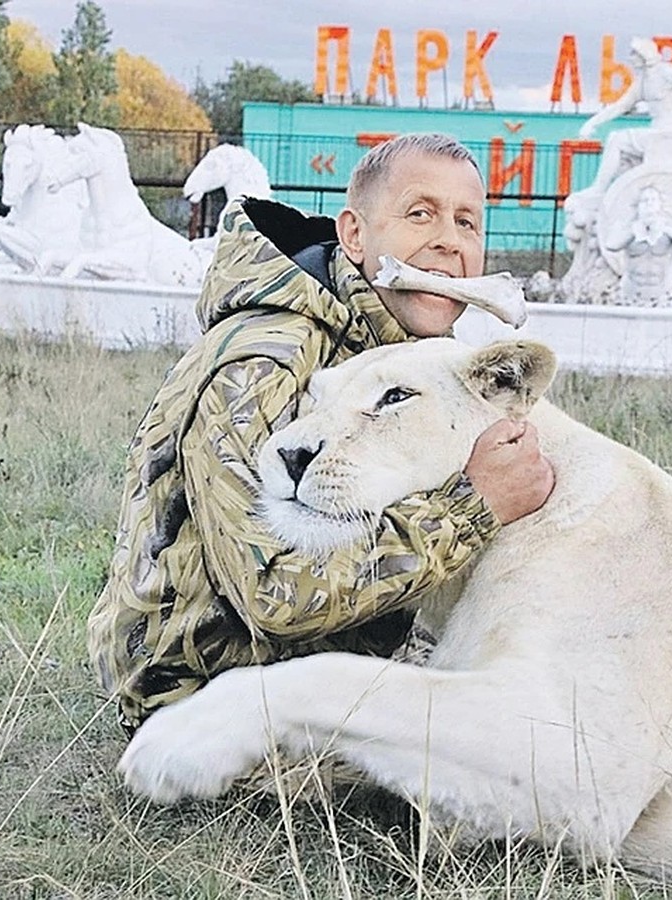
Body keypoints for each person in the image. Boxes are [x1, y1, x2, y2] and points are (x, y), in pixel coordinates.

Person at [88, 133, 555, 735]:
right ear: (355, 235)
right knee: (519, 753)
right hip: (206, 702)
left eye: (467, 222)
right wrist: (473, 508)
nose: (448, 240)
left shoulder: (407, 354)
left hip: (339, 664)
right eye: (420, 214)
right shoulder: (264, 361)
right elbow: (272, 592)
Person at [575, 37, 672, 203]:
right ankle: (624, 195)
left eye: (634, 53)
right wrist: (591, 123)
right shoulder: (643, 81)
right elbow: (620, 106)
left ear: (644, 55)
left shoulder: (668, 72)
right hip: (658, 133)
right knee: (624, 158)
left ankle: (599, 188)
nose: (630, 57)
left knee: (617, 140)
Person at [602, 184, 672, 305]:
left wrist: (665, 230)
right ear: (637, 205)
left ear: (660, 204)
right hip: (630, 292)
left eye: (653, 200)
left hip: (661, 293)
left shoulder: (669, 225)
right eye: (644, 200)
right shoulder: (627, 225)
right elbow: (611, 245)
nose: (649, 203)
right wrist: (634, 231)